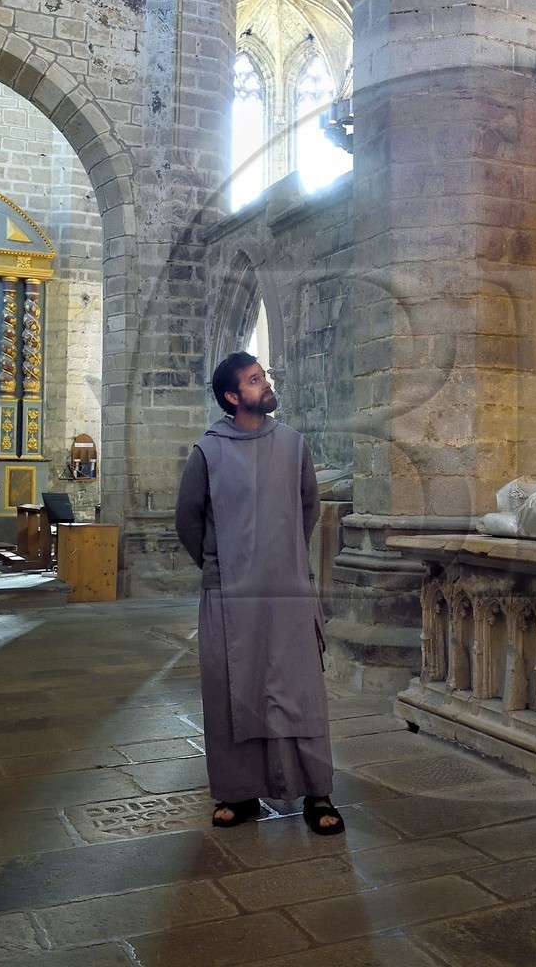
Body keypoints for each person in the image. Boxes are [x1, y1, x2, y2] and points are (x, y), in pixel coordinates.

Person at [174, 352, 344, 835]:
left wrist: (284, 557)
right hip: (230, 598)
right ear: (232, 397)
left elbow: (308, 506)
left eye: (263, 376)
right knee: (233, 693)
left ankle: (318, 793)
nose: (265, 384)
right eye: (254, 380)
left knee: (300, 692)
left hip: (288, 592)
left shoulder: (293, 445)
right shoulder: (207, 452)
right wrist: (220, 568)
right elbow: (188, 520)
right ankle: (238, 794)